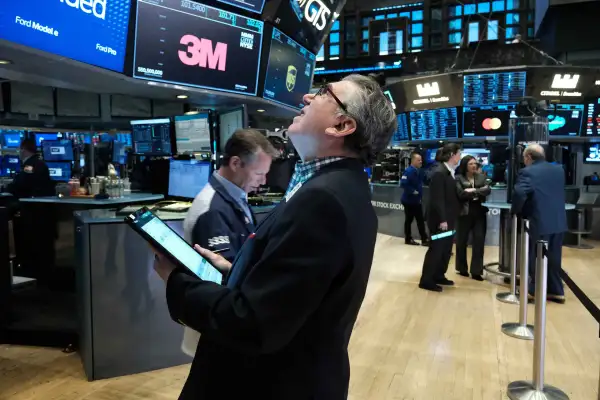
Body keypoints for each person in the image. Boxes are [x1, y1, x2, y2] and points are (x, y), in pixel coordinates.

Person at [152, 74, 397, 399]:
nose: (308, 98)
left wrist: (177, 281)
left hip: (267, 383)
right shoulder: (342, 189)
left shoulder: (322, 200)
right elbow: (295, 294)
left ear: (342, 126)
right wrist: (232, 271)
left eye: (324, 93)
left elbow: (254, 324)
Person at [180, 128, 276, 356]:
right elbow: (222, 279)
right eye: (259, 174)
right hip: (216, 332)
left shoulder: (236, 197)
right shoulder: (212, 209)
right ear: (236, 163)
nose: (263, 181)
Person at [511, 144, 567, 304]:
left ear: (528, 157)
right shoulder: (559, 170)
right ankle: (557, 291)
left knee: (536, 256)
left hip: (539, 221)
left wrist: (516, 211)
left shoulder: (527, 172)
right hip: (558, 221)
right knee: (554, 257)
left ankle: (534, 291)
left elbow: (520, 193)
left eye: (524, 158)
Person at [419, 143, 462, 292]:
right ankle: (426, 280)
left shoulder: (449, 171)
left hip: (449, 218)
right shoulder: (439, 172)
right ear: (451, 155)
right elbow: (437, 199)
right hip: (440, 220)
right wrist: (443, 219)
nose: (460, 157)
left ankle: (439, 275)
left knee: (445, 249)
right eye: (459, 154)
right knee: (436, 249)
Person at [455, 155, 491, 281]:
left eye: (475, 163)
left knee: (479, 241)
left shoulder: (482, 176)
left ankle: (476, 271)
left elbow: (487, 190)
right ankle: (461, 268)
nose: (474, 165)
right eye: (471, 164)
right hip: (464, 213)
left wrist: (473, 190)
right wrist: (477, 191)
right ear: (465, 165)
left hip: (479, 213)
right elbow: (461, 194)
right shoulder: (458, 178)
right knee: (461, 241)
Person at [400, 152, 428, 246]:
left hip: (416, 201)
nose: (421, 161)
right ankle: (409, 239)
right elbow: (403, 184)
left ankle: (423, 239)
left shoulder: (418, 170)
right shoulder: (409, 171)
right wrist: (413, 191)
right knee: (410, 220)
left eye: (421, 160)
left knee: (418, 220)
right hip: (409, 201)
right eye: (418, 160)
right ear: (413, 160)